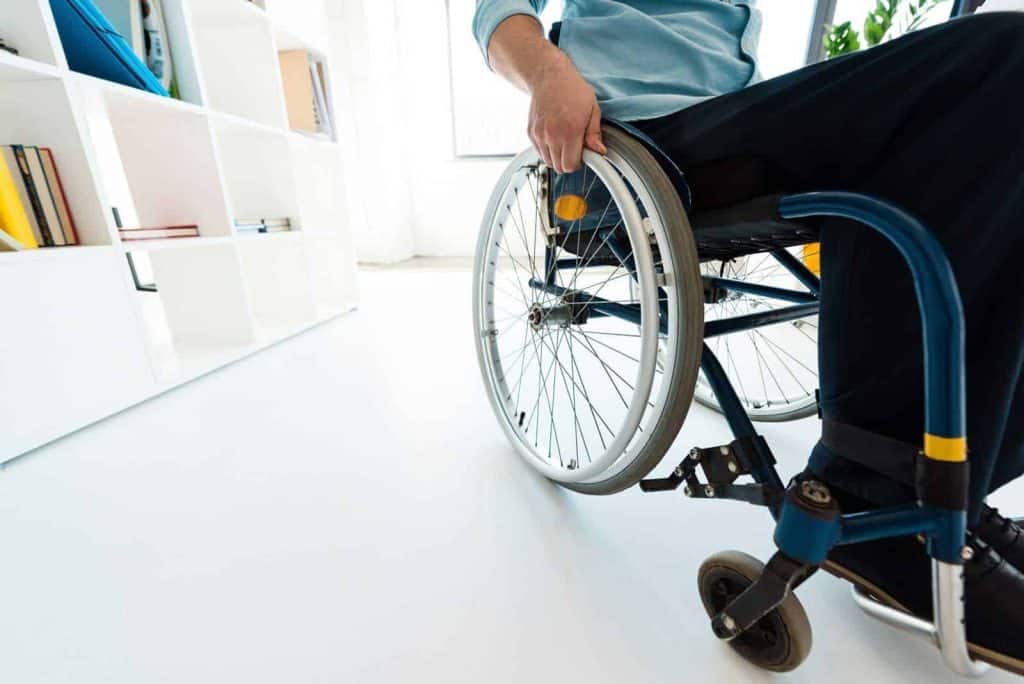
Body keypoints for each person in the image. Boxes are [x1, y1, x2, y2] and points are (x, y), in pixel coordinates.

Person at [473, 0, 1024, 673]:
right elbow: (496, 12)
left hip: (742, 117)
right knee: (1008, 49)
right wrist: (548, 74)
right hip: (636, 134)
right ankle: (879, 495)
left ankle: (950, 492)